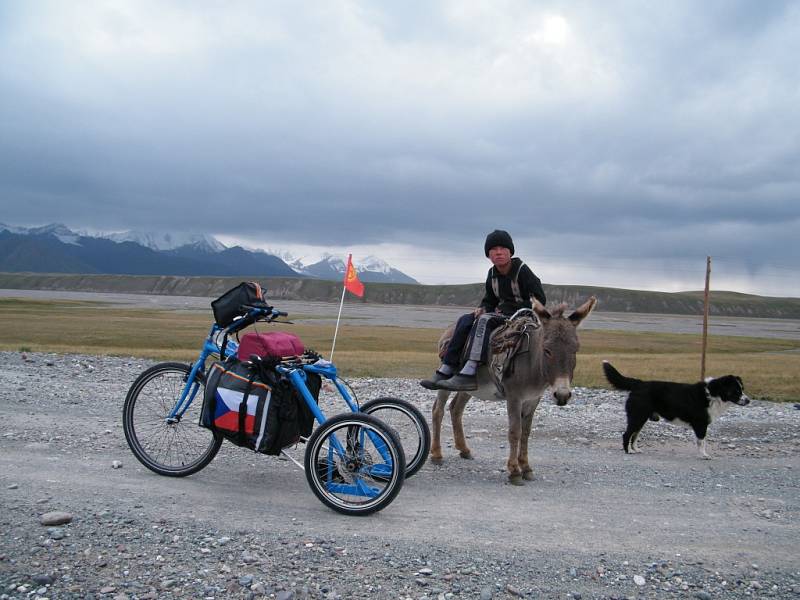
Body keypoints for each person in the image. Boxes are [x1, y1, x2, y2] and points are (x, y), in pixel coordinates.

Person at [420, 229, 546, 392]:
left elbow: (539, 298)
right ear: (488, 255)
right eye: (493, 249)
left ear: (510, 252)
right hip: (500, 314)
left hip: (522, 317)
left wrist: (506, 309)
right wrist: (483, 308)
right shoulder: (492, 273)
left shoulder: (522, 270)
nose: (498, 252)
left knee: (485, 320)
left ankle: (470, 371)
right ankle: (447, 367)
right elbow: (490, 299)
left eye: (503, 248)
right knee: (466, 319)